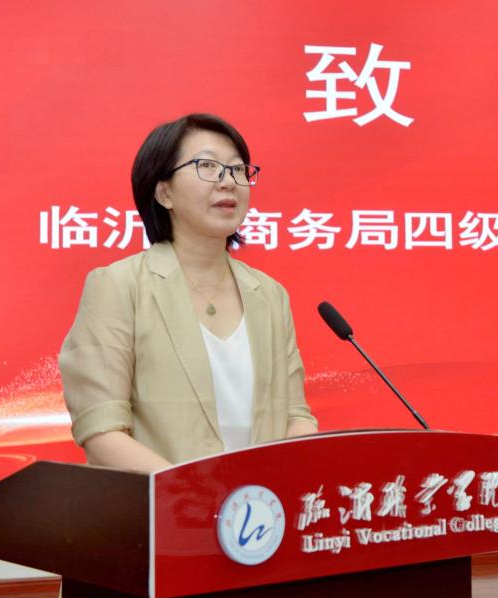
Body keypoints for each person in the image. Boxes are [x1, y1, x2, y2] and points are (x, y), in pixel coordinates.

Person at [58, 113, 318, 473]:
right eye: (207, 166)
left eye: (237, 170)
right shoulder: (119, 286)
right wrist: (188, 492)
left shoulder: (270, 295)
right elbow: (102, 431)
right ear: (164, 192)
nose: (228, 182)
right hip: (157, 504)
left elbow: (295, 415)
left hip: (258, 505)